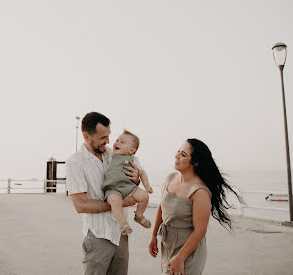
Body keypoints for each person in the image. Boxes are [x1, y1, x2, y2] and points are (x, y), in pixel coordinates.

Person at [65, 112, 143, 275]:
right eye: (102, 138)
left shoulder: (113, 153)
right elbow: (81, 205)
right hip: (98, 236)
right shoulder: (75, 163)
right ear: (86, 136)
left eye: (108, 136)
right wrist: (119, 203)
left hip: (121, 233)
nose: (108, 141)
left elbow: (135, 171)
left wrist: (136, 178)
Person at [148, 139, 241, 275]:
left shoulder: (199, 192)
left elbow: (200, 231)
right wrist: (153, 236)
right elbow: (162, 209)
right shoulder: (170, 178)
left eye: (183, 154)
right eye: (178, 152)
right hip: (168, 243)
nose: (177, 156)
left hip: (188, 251)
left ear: (195, 163)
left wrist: (180, 258)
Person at [102, 130, 153, 235]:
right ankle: (123, 224)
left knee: (144, 196)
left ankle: (139, 215)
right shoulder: (111, 156)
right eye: (117, 140)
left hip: (129, 188)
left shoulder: (134, 160)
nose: (117, 143)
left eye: (122, 142)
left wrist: (147, 186)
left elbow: (142, 173)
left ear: (131, 150)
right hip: (113, 189)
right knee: (115, 201)